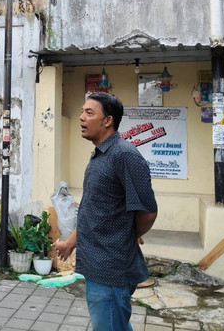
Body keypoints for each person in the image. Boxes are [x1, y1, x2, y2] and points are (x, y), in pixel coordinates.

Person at [52, 92, 158, 331]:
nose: (81, 117)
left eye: (89, 113)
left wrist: (128, 233)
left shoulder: (124, 155)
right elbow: (96, 210)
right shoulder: (101, 155)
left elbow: (148, 212)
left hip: (110, 267)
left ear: (107, 120)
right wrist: (70, 242)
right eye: (82, 111)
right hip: (97, 264)